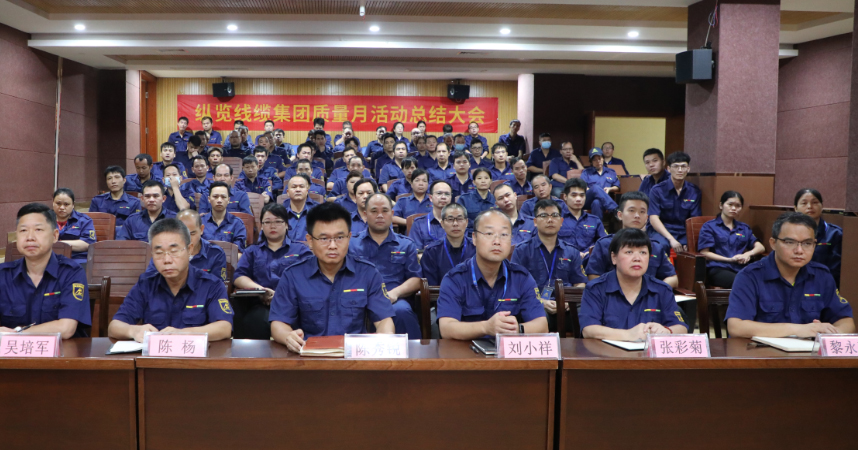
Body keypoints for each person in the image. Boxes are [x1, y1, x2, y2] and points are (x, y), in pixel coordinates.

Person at [270, 203, 396, 352]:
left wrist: (385, 337)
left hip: (354, 355)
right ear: (310, 240)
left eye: (340, 237)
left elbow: (384, 319)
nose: (332, 245)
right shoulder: (293, 275)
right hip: (308, 354)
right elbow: (278, 323)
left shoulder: (368, 273)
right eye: (324, 238)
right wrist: (288, 336)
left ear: (349, 238)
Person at [725, 212, 854, 338]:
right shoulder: (749, 276)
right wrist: (798, 330)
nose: (799, 250)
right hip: (760, 351)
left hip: (809, 351)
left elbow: (846, 321)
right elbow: (736, 327)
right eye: (790, 242)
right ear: (773, 243)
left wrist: (831, 334)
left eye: (807, 243)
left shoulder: (822, 276)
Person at [108, 218, 233, 342]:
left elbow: (224, 327)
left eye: (174, 251)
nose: (167, 260)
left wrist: (184, 334)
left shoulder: (211, 285)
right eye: (159, 253)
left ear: (189, 249)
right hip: (155, 354)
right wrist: (133, 331)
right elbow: (114, 326)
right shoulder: (146, 284)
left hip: (194, 353)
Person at [437, 209, 548, 340]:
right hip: (466, 350)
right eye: (489, 233)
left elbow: (542, 325)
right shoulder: (455, 279)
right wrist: (486, 328)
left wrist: (517, 329)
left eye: (504, 234)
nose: (497, 241)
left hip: (508, 349)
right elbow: (446, 328)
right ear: (474, 238)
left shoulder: (521, 278)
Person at [0, 203, 91, 338]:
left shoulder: (71, 272)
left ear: (55, 236)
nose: (30, 237)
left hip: (62, 350)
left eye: (38, 230)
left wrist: (16, 334)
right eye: (23, 230)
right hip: (12, 351)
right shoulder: (3, 274)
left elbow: (66, 328)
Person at [580, 228, 688, 340]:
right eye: (629, 252)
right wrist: (628, 335)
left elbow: (681, 327)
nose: (637, 258)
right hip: (607, 351)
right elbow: (588, 330)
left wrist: (666, 330)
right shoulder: (596, 289)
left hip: (648, 351)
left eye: (643, 253)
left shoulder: (662, 289)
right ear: (614, 258)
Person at [233, 203, 313, 339]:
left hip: (293, 305)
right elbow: (239, 276)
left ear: (286, 225)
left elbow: (310, 277)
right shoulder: (252, 251)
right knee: (252, 321)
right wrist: (261, 290)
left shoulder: (301, 250)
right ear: (261, 226)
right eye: (268, 222)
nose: (273, 226)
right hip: (261, 304)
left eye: (278, 221)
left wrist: (281, 295)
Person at [348, 194, 422, 338]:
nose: (380, 215)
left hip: (393, 298)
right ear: (365, 214)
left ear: (392, 213)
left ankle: (412, 352)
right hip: (358, 298)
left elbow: (416, 279)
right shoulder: (352, 244)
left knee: (402, 311)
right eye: (374, 211)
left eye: (385, 211)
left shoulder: (405, 244)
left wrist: (395, 293)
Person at [512, 199, 587, 332]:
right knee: (531, 316)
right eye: (544, 216)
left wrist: (568, 301)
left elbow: (580, 283)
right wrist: (541, 301)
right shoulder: (522, 250)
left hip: (567, 306)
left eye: (554, 215)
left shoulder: (571, 251)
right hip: (535, 305)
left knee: (588, 317)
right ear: (535, 222)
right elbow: (515, 285)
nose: (550, 220)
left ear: (561, 221)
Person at [587, 191, 677, 287]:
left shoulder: (655, 246)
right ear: (620, 215)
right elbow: (593, 276)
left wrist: (654, 291)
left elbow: (673, 278)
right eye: (631, 210)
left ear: (646, 218)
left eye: (642, 212)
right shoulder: (604, 244)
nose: (637, 215)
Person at [697, 191, 766, 288]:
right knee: (743, 282)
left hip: (741, 268)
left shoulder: (744, 228)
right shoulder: (709, 226)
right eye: (730, 204)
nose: (734, 208)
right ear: (721, 205)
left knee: (763, 280)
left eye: (738, 206)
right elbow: (705, 253)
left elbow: (761, 247)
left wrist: (748, 254)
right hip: (718, 268)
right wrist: (729, 260)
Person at [143, 209, 227, 282]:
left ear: (201, 229)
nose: (188, 239)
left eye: (192, 233)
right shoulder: (163, 252)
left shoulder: (215, 253)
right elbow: (149, 280)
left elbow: (217, 286)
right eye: (183, 234)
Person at [648, 151, 701, 253]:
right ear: (669, 169)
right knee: (661, 246)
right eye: (676, 166)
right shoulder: (657, 190)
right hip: (661, 231)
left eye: (683, 166)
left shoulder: (694, 191)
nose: (680, 170)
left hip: (683, 232)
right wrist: (671, 239)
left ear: (688, 169)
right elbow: (653, 219)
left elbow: (694, 220)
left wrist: (690, 241)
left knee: (695, 247)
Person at [794, 188, 842, 288]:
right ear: (795, 208)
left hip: (823, 287)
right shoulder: (788, 233)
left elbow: (835, 270)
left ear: (822, 206)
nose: (809, 206)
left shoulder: (835, 234)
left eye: (815, 202)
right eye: (804, 203)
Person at [421, 204, 475, 286]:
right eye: (450, 219)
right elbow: (431, 287)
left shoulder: (477, 248)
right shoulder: (432, 252)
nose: (455, 224)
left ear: (466, 222)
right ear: (442, 224)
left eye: (460, 219)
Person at [557, 178, 608, 257]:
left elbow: (604, 243)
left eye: (582, 195)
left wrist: (591, 252)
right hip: (565, 259)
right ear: (565, 196)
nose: (578, 199)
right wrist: (575, 254)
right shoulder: (557, 219)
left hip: (589, 260)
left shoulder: (594, 220)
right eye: (574, 195)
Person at [49, 188, 95, 269]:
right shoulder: (44, 219)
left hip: (77, 260)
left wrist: (60, 244)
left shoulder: (84, 220)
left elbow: (88, 243)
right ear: (53, 202)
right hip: (50, 259)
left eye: (66, 204)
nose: (62, 207)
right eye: (58, 203)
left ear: (73, 205)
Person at [89, 165, 141, 235]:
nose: (113, 181)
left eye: (117, 177)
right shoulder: (97, 201)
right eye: (109, 178)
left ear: (124, 180)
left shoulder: (134, 202)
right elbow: (91, 224)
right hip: (102, 236)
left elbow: (134, 226)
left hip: (125, 237)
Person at [200, 181, 248, 252]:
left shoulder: (237, 223)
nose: (219, 200)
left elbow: (238, 252)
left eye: (223, 197)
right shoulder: (200, 222)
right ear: (209, 199)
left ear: (228, 200)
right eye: (215, 197)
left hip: (229, 259)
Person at [409, 180, 452, 249]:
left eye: (447, 194)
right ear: (431, 198)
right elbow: (415, 251)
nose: (443, 197)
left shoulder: (458, 223)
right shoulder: (419, 223)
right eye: (439, 193)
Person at [284, 174, 320, 241]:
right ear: (288, 192)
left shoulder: (318, 211)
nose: (298, 190)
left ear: (307, 191)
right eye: (294, 187)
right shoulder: (281, 212)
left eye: (301, 186)